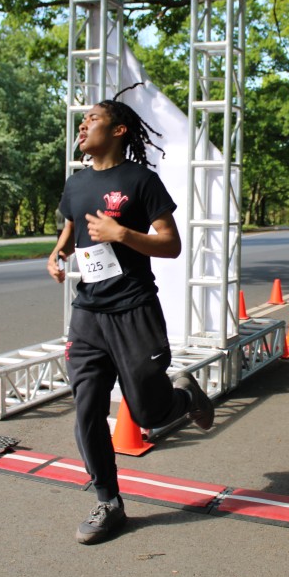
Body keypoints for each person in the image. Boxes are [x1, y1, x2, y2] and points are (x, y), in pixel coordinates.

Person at [47, 92, 214, 546]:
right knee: (86, 408)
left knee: (146, 412)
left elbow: (171, 244)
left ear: (118, 130)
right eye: (82, 120)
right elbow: (71, 227)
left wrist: (122, 233)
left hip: (135, 309)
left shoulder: (141, 180)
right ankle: (108, 501)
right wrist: (58, 252)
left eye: (93, 119)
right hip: (88, 313)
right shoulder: (76, 183)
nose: (83, 126)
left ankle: (185, 397)